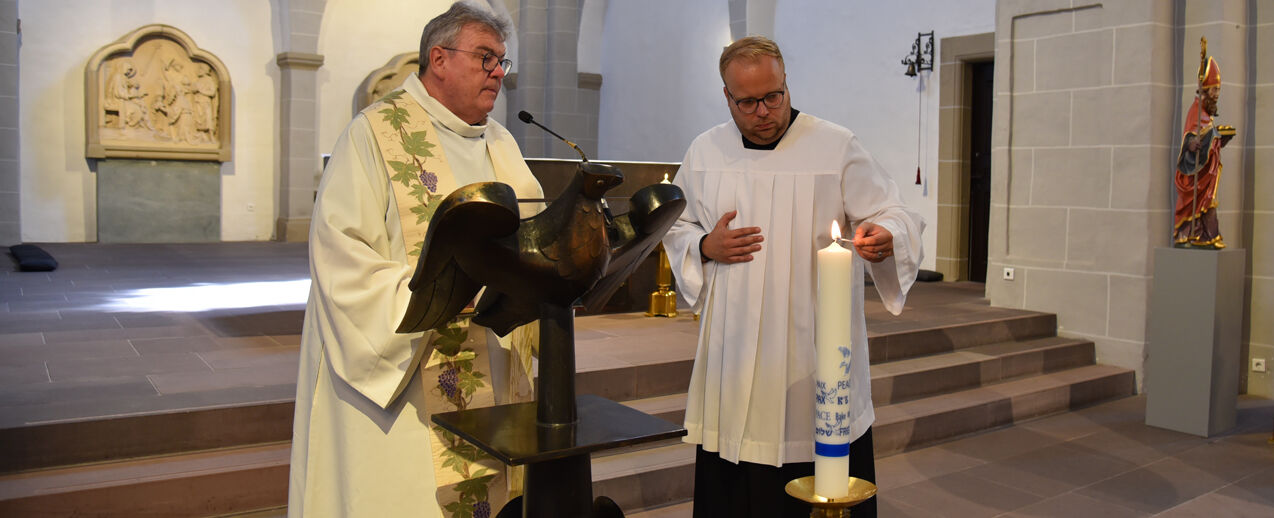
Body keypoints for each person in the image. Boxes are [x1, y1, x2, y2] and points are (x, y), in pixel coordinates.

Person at [288, 3, 544, 517]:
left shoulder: (501, 143)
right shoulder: (375, 134)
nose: (498, 72)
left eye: (502, 62)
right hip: (406, 373)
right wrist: (444, 290)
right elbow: (342, 255)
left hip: (489, 360)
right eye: (486, 58)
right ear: (439, 58)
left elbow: (534, 235)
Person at [662, 36, 924, 518]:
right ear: (727, 97)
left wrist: (885, 234)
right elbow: (676, 224)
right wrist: (704, 245)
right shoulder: (705, 151)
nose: (764, 111)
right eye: (748, 102)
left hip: (814, 351)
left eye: (774, 96)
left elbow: (894, 211)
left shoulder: (835, 145)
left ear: (786, 84)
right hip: (734, 356)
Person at [1173, 38, 1232, 249]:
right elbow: (1189, 137)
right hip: (1196, 174)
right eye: (1214, 90)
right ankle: (1188, 234)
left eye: (1218, 89)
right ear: (1204, 90)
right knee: (1197, 203)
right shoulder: (1195, 110)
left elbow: (1208, 138)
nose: (1216, 94)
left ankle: (1207, 236)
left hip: (1208, 171)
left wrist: (1219, 139)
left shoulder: (1207, 112)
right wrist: (1191, 144)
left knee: (1208, 203)